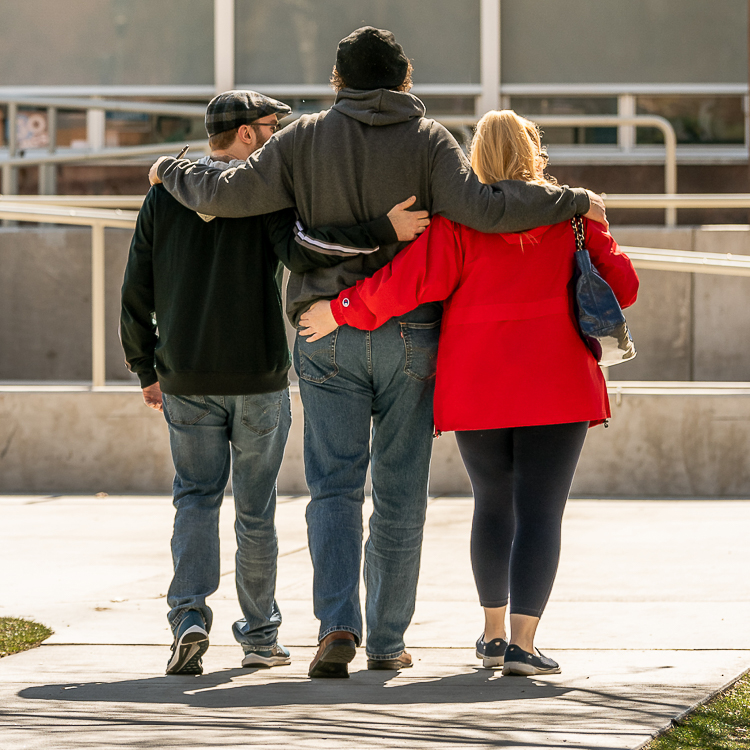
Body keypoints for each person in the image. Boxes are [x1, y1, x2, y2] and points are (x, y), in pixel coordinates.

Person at [148, 27, 607, 678]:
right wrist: (570, 200)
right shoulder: (429, 141)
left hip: (323, 330)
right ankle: (388, 642)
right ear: (406, 78)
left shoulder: (303, 138)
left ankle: (338, 623)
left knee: (334, 490)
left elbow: (224, 196)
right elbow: (481, 208)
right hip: (411, 335)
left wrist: (173, 167)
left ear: (339, 81)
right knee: (399, 495)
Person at [299, 110, 639, 677]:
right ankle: (525, 648)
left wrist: (340, 311)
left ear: (474, 157)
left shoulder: (460, 224)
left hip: (477, 387)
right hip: (556, 385)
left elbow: (408, 283)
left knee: (493, 504)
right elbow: (622, 289)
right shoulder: (573, 219)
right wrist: (601, 229)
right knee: (540, 513)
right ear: (535, 153)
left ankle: (492, 636)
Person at [120, 90, 427, 676]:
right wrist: (382, 230)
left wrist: (144, 368)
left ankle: (188, 617)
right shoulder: (265, 197)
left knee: (195, 497)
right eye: (271, 127)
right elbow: (309, 253)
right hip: (258, 376)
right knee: (255, 510)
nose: (280, 136)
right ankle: (260, 636)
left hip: (184, 375)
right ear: (245, 136)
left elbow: (136, 289)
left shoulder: (163, 196)